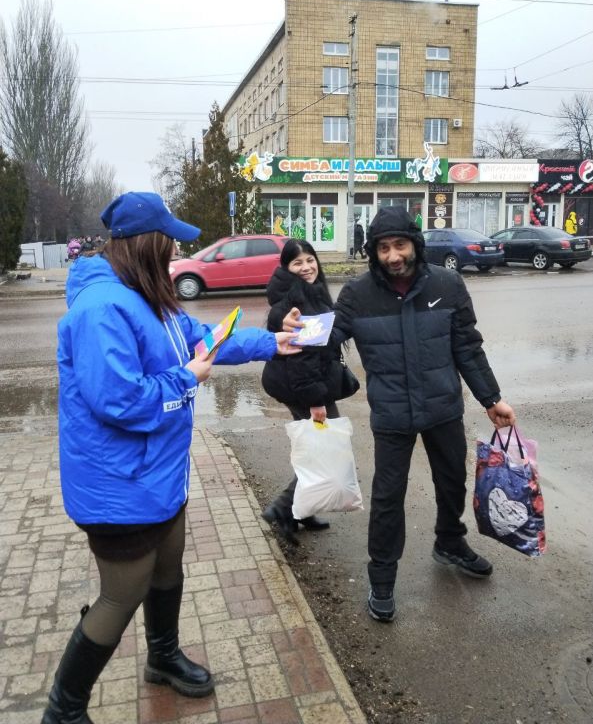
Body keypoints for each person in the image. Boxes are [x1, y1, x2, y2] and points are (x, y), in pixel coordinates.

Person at [42, 192, 299, 723]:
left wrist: (272, 341)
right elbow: (119, 400)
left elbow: (206, 339)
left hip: (160, 476)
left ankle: (162, 657)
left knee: (169, 568)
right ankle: (63, 711)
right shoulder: (102, 308)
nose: (175, 253)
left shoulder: (151, 298)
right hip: (118, 484)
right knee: (120, 597)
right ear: (147, 245)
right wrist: (186, 379)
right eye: (169, 243)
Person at [283, 206, 515, 623]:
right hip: (391, 415)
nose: (393, 256)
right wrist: (295, 328)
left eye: (400, 245)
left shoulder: (448, 284)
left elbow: (468, 347)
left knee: (452, 482)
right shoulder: (358, 295)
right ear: (374, 252)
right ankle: (383, 578)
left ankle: (449, 542)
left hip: (443, 407)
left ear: (415, 245)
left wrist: (491, 398)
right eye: (384, 248)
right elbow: (325, 340)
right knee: (388, 500)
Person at [261, 238, 359, 545]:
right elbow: (302, 359)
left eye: (310, 259)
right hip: (302, 387)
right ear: (287, 268)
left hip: (304, 383)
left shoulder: (310, 291)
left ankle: (303, 511)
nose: (307, 267)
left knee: (320, 451)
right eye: (297, 263)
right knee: (323, 453)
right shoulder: (296, 301)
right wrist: (316, 402)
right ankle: (283, 508)